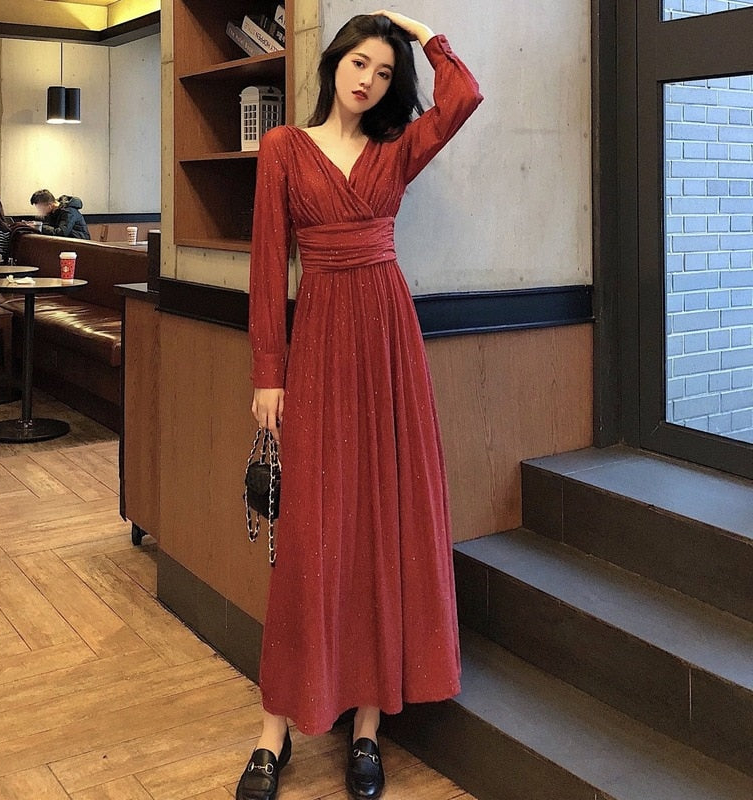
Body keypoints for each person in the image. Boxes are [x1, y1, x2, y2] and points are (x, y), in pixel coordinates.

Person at [241, 9, 482, 800]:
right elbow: (267, 265)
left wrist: (420, 33)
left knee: (382, 525)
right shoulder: (284, 148)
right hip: (316, 343)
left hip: (387, 343)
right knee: (310, 535)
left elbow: (463, 95)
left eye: (383, 71)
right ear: (333, 63)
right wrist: (268, 373)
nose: (369, 80)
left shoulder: (396, 147)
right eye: (358, 63)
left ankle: (368, 728)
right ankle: (273, 731)